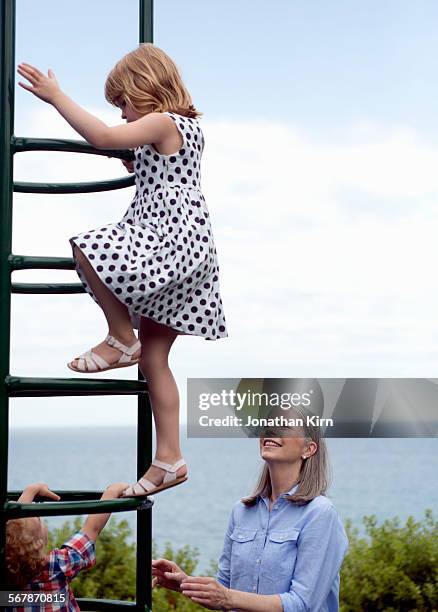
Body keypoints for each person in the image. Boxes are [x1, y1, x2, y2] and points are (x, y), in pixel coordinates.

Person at [16, 43, 228, 497]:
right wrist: (130, 158)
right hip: (186, 246)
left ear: (146, 89)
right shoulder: (182, 130)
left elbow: (104, 137)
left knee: (88, 248)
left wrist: (57, 97)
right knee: (156, 361)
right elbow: (137, 156)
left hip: (167, 238)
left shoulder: (164, 121)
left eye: (124, 105)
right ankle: (170, 458)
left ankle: (119, 337)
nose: (125, 117)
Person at [152, 411, 349, 611]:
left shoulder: (320, 513)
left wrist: (227, 598)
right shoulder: (241, 511)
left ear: (308, 449)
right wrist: (185, 583)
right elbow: (225, 588)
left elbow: (302, 604)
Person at [6, 481, 128, 611]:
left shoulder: (6, 575)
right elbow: (92, 529)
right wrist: (112, 493)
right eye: (39, 519)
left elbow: (17, 531)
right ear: (39, 542)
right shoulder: (57, 566)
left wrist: (30, 492)